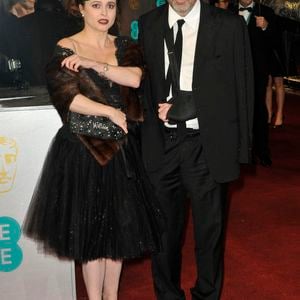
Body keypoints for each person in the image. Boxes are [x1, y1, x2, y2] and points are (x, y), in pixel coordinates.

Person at [22, 1, 163, 299]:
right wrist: (108, 111)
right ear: (81, 9)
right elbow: (66, 96)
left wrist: (93, 64)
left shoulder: (125, 45)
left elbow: (134, 78)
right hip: (83, 151)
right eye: (96, 5)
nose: (104, 13)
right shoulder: (67, 45)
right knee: (91, 235)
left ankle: (111, 297)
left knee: (119, 232)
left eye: (110, 5)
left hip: (121, 152)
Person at [139, 0, 254, 299]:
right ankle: (167, 295)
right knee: (163, 234)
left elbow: (242, 86)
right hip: (161, 146)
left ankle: (207, 295)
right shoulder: (148, 23)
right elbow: (142, 86)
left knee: (209, 233)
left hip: (207, 143)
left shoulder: (228, 25)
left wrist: (242, 148)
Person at [234, 0, 276, 166]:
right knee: (235, 111)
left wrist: (266, 27)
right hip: (233, 71)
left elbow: (275, 42)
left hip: (258, 71)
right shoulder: (227, 12)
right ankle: (240, 151)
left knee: (259, 110)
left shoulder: (265, 11)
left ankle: (262, 150)